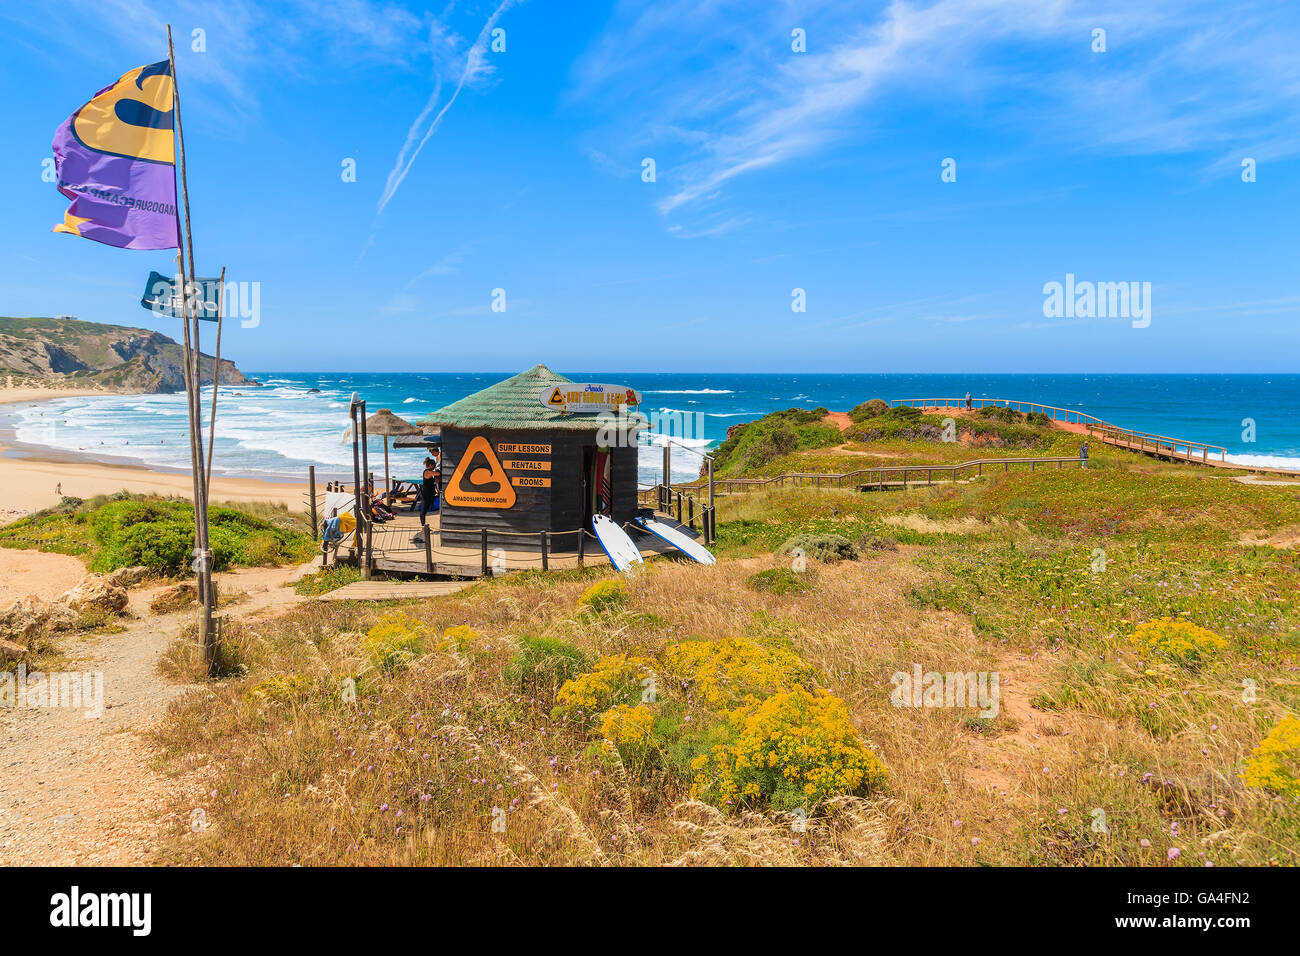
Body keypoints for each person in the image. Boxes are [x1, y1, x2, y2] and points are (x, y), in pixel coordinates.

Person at [419, 456, 439, 527]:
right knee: (423, 511)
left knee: (426, 510)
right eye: (433, 466)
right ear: (430, 465)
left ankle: (424, 526)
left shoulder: (429, 472)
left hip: (428, 493)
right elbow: (438, 474)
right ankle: (423, 527)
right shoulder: (427, 472)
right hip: (425, 494)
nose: (434, 468)